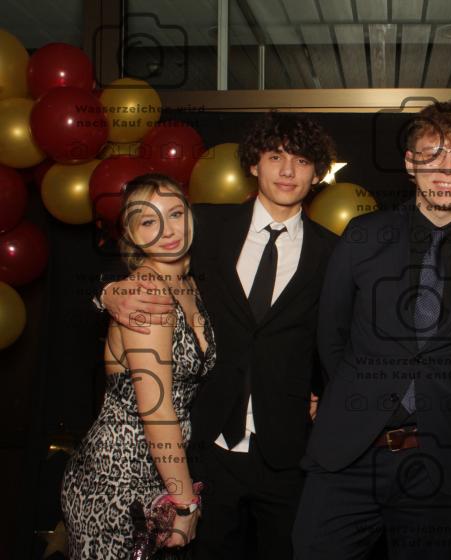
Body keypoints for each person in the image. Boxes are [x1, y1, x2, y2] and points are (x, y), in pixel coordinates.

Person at [293, 99, 451, 559]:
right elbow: (331, 337)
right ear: (409, 163)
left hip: (441, 462)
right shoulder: (362, 236)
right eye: (432, 154)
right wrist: (361, 396)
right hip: (349, 452)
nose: (446, 169)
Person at [98, 112, 338, 559]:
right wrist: (107, 293)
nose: (288, 171)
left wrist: (327, 394)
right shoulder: (204, 225)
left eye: (302, 161)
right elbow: (143, 256)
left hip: (285, 450)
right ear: (254, 164)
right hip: (205, 445)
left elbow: (341, 337)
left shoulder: (333, 252)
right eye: (275, 157)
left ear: (317, 173)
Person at [62, 174, 214, 558]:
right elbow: (156, 409)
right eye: (149, 221)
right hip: (118, 479)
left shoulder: (190, 284)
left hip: (164, 472)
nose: (167, 230)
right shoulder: (147, 292)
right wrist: (185, 503)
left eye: (175, 213)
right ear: (130, 233)